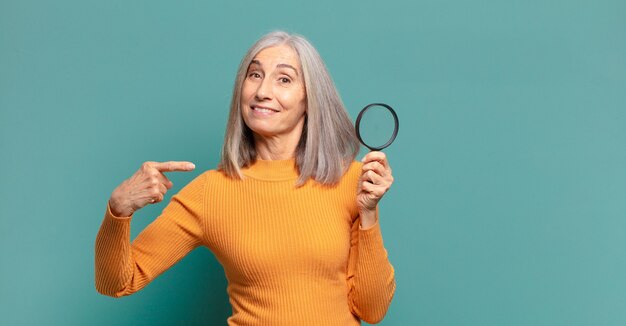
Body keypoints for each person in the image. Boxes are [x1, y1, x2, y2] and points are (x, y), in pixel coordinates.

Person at [95, 30, 396, 325]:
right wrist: (118, 209)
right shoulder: (210, 192)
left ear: (310, 99)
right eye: (254, 75)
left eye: (284, 79)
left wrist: (368, 213)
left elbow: (372, 310)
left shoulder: (351, 181)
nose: (262, 91)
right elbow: (117, 283)